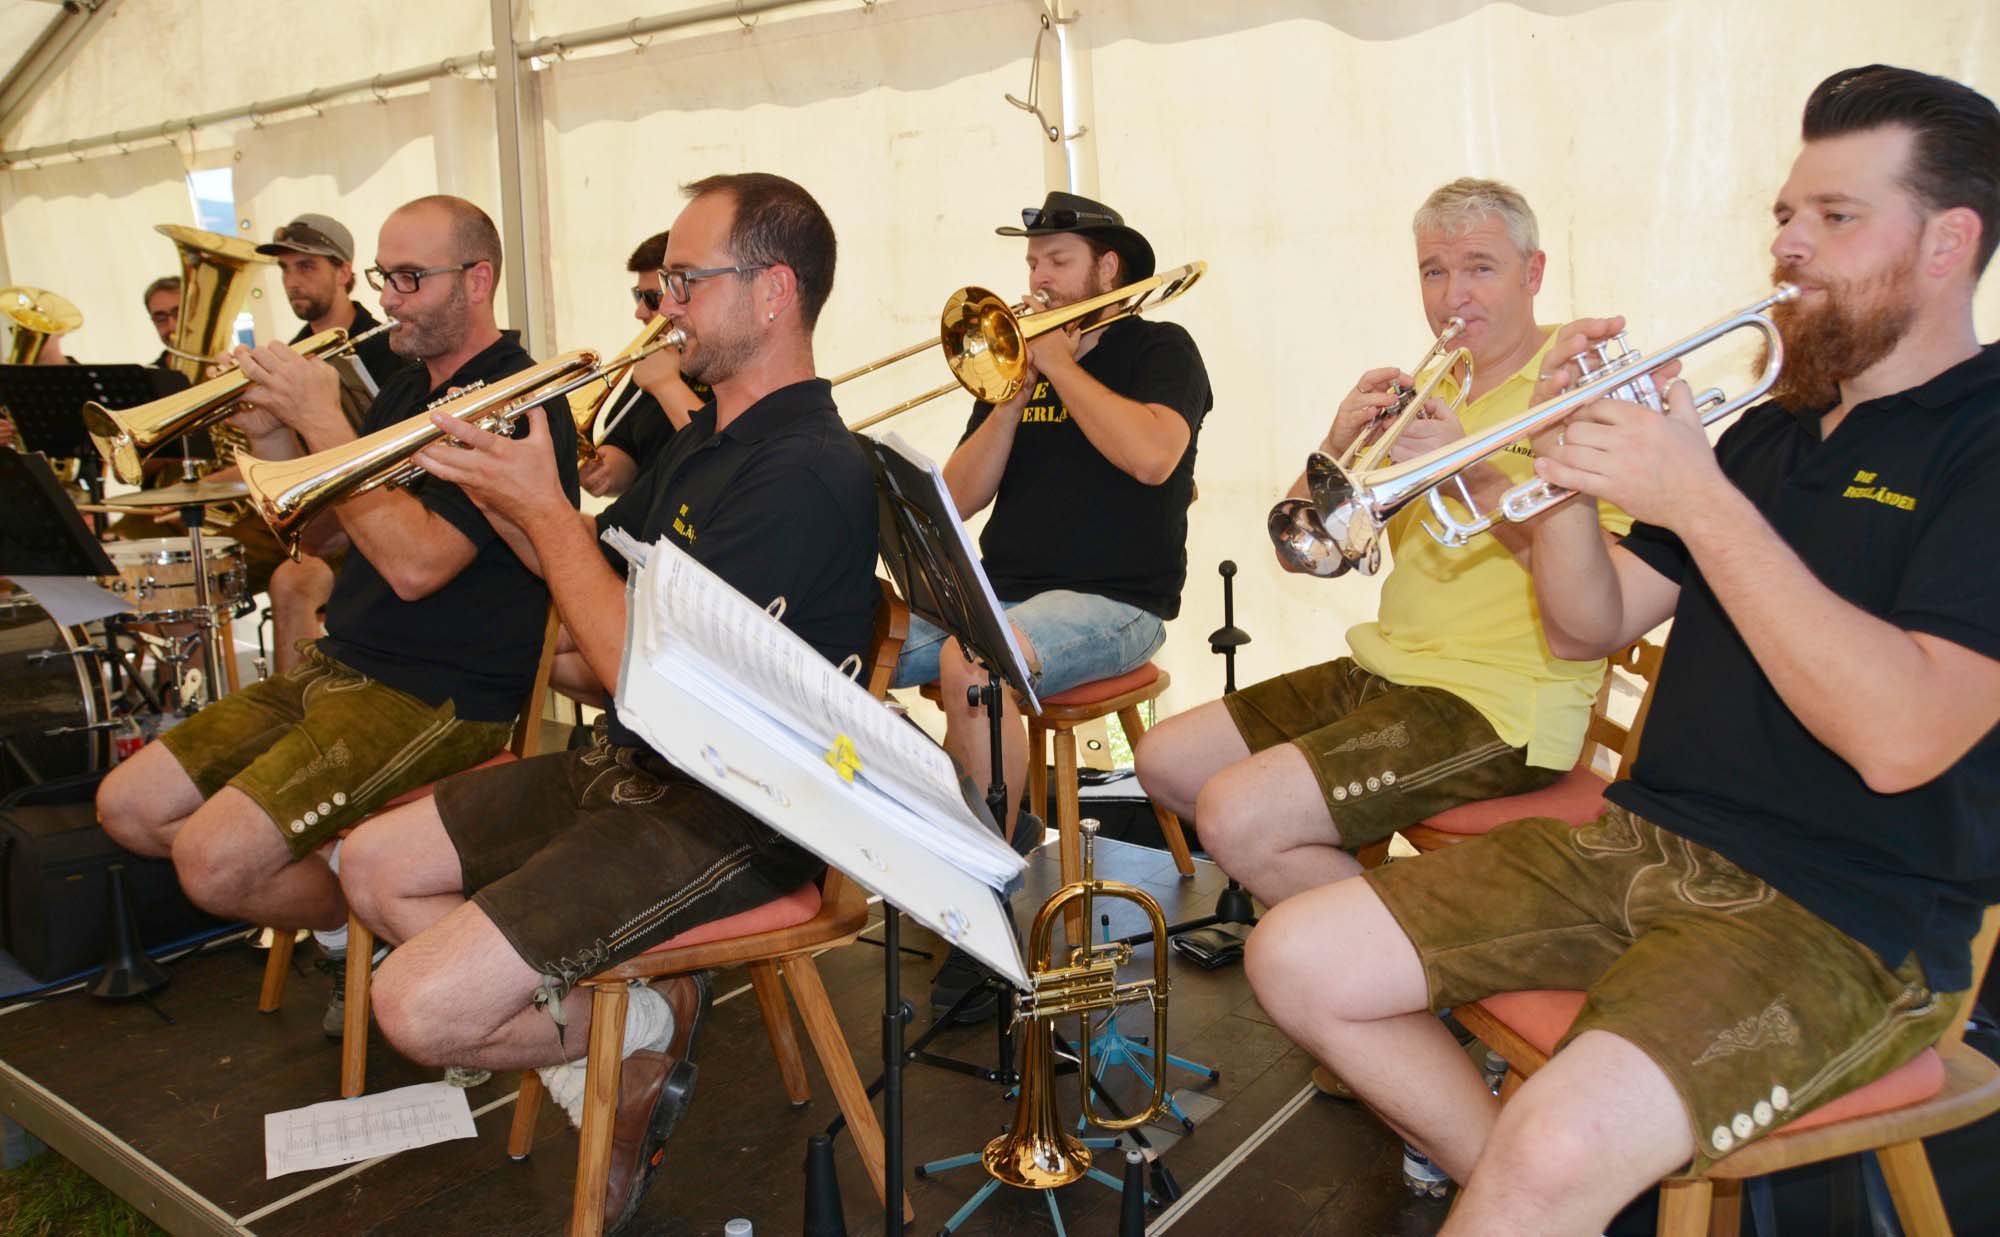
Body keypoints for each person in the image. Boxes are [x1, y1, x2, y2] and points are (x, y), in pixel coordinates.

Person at [1246, 65, 2000, 1235]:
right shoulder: (1772, 430)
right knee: (1294, 955)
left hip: (1846, 916)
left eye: (1834, 216)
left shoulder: (1981, 442)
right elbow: (1585, 623)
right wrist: (1562, 461)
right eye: (1784, 215)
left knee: (1552, 1147)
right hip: (1643, 841)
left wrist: (1697, 498)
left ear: (1947, 242)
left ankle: (1534, 1193)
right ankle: (1529, 1198)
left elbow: (1899, 739)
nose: (1787, 244)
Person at [337, 173, 876, 1232]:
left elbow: (647, 671)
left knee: (413, 1006)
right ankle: (629, 1035)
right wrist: (503, 491)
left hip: (737, 807)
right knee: (369, 865)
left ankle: (625, 1038)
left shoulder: (806, 469)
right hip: (638, 764)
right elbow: (599, 586)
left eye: (685, 280)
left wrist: (543, 513)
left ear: (773, 293)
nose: (664, 304)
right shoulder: (707, 436)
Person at [96, 194, 579, 1041]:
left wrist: (323, 416)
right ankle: (353, 911)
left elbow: (417, 565)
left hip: (435, 694)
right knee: (128, 805)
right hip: (342, 665)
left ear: (478, 280)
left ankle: (356, 919)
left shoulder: (510, 400)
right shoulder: (406, 386)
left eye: (410, 278)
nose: (387, 298)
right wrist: (276, 439)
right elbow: (325, 534)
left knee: (210, 862)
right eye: (386, 276)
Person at [1138, 177, 1631, 898]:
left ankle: (1404, 937)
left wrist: (1464, 467)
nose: (1454, 296)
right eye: (1434, 271)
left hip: (1503, 704)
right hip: (1388, 670)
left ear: (1534, 273)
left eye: (1481, 267)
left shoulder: (1577, 385)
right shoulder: (1438, 388)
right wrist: (1336, 445)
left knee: (1237, 816)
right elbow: (1301, 555)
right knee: (1165, 761)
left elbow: (1607, 587)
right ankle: (1367, 912)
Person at [888, 191, 1211, 1012]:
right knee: (841, 638)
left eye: (1057, 261)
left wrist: (1063, 367)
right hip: (1001, 594)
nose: (1037, 278)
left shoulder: (1161, 349)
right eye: (1032, 262)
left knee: (974, 663)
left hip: (1117, 601)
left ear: (1108, 268)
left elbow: (1153, 457)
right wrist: (1009, 394)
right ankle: (966, 811)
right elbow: (956, 498)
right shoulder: (1014, 364)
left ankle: (982, 905)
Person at [251, 212, 406, 676]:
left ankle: (298, 703)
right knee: (205, 561)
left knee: (293, 578)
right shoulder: (288, 354)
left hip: (376, 511)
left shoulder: (391, 349)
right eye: (284, 269)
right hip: (312, 516)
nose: (292, 281)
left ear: (344, 272)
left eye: (306, 266)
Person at [576, 230, 709, 499]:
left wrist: (666, 384)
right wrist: (605, 472)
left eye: (652, 298)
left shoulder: (721, 364)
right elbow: (628, 451)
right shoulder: (656, 358)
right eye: (638, 296)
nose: (640, 312)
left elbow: (721, 455)